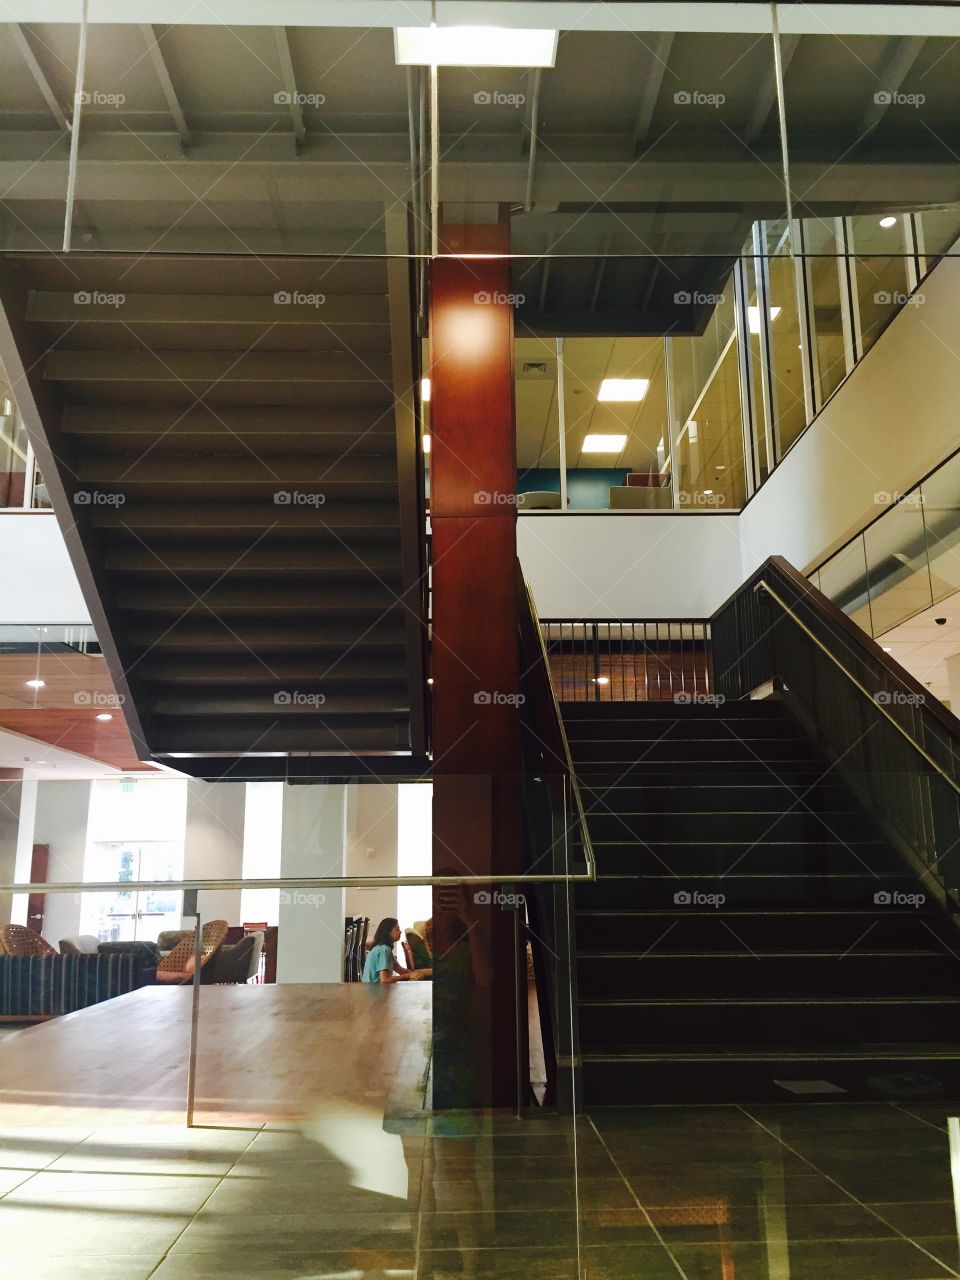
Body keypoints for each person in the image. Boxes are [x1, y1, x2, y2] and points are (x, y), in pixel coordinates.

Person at [362, 917, 430, 984]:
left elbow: (401, 970)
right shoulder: (384, 950)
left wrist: (417, 974)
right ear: (388, 932)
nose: (400, 932)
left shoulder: (384, 948)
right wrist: (409, 975)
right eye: (397, 929)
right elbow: (385, 980)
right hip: (374, 992)